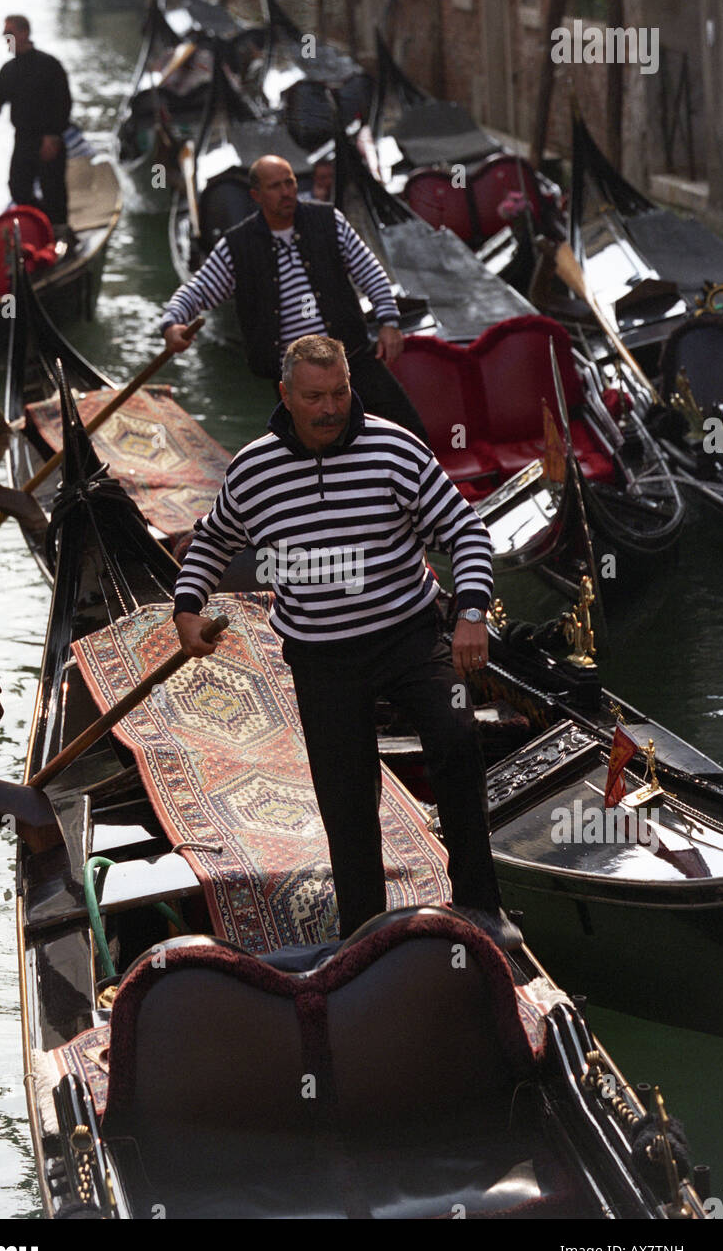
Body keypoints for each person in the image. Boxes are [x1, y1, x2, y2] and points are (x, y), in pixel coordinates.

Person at [172, 334, 521, 950]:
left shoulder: (395, 449)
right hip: (322, 654)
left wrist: (470, 613)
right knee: (344, 790)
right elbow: (213, 540)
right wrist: (188, 607)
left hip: (409, 635)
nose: (331, 408)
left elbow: (466, 531)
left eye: (339, 393)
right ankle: (365, 931)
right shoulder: (255, 468)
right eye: (315, 397)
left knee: (455, 736)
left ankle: (479, 904)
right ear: (286, 395)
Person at [159, 154, 429, 441]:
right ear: (256, 195)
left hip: (350, 361)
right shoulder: (238, 246)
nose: (286, 192)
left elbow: (371, 272)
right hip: (295, 382)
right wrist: (172, 323)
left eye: (289, 183)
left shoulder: (328, 221)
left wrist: (389, 321)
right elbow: (196, 290)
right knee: (314, 457)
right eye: (275, 186)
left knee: (409, 433)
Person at [0, 14, 72, 231]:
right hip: (24, 140)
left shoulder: (49, 65)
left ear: (24, 33)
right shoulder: (8, 71)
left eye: (9, 34)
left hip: (48, 139)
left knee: (53, 189)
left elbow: (63, 103)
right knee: (18, 188)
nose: (5, 38)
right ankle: (39, 225)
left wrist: (53, 136)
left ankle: (60, 231)